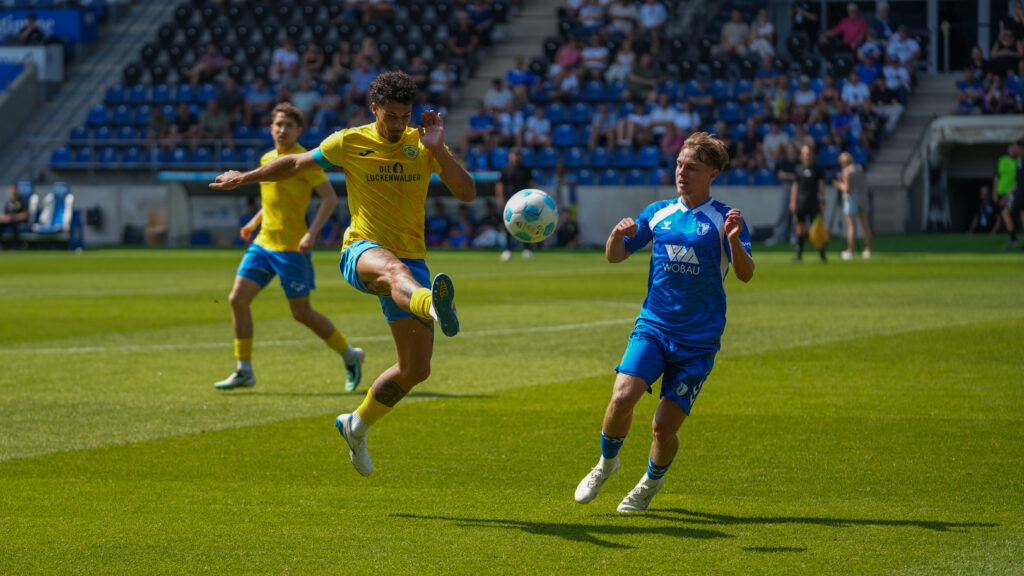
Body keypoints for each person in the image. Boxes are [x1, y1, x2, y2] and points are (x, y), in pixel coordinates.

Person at [210, 71, 476, 476]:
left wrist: (439, 151)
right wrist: (244, 178)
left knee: (415, 369)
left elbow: (467, 192)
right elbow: (296, 162)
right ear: (374, 110)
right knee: (392, 268)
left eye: (404, 115)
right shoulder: (349, 140)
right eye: (390, 115)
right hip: (362, 250)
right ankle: (433, 305)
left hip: (413, 260)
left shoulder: (422, 144)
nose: (398, 123)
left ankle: (356, 424)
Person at [574, 132, 754, 513]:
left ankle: (650, 482)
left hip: (698, 341)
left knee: (662, 428)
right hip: (654, 326)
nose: (682, 173)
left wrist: (735, 241)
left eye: (692, 168)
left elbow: (745, 274)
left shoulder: (726, 219)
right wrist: (615, 236)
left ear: (713, 174)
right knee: (622, 395)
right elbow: (616, 256)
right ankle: (607, 463)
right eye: (678, 165)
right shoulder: (657, 212)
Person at [210, 102, 361, 393]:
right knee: (237, 299)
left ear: (298, 130)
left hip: (293, 248)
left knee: (301, 312)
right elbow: (273, 202)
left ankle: (350, 355)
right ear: (270, 128)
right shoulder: (267, 157)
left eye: (288, 126)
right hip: (263, 243)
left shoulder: (305, 160)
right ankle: (244, 370)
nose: (282, 130)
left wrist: (312, 234)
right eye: (278, 125)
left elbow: (329, 199)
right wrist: (253, 222)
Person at [495, 147, 536, 261]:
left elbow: (532, 184)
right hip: (509, 202)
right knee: (508, 226)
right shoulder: (505, 169)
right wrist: (500, 199)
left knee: (525, 226)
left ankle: (527, 249)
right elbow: (500, 185)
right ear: (510, 156)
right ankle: (508, 250)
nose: (516, 157)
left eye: (518, 155)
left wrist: (533, 199)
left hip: (524, 203)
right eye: (514, 155)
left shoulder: (526, 170)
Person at [791, 144, 828, 262]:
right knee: (800, 228)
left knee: (816, 229)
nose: (808, 156)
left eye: (809, 153)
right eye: (805, 153)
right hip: (801, 203)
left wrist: (822, 199)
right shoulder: (798, 169)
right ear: (801, 155)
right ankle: (799, 254)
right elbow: (795, 186)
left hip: (814, 203)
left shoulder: (818, 169)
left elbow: (821, 186)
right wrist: (792, 202)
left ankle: (822, 254)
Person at [833, 152, 873, 259]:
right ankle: (869, 250)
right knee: (865, 225)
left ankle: (850, 251)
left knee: (851, 226)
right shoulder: (860, 168)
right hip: (863, 199)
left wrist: (838, 184)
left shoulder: (847, 172)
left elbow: (847, 188)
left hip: (851, 200)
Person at [0, 183, 29, 249]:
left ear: (17, 190)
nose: (13, 191)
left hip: (19, 223)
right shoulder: (9, 203)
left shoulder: (23, 202)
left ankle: (15, 246)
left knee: (15, 226)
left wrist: (13, 218)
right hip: (9, 222)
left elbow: (25, 215)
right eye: (11, 189)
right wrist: (4, 218)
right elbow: (5, 214)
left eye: (14, 189)